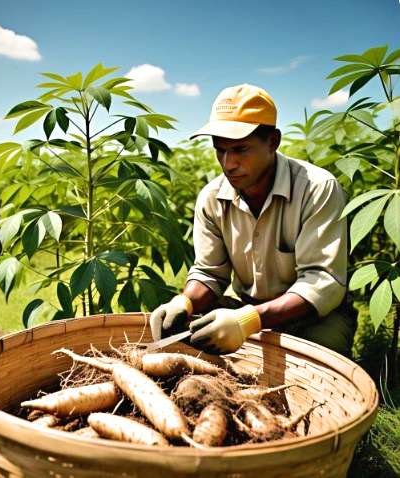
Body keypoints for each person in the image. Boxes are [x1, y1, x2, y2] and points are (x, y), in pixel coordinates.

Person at [150, 84, 355, 357]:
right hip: (243, 309)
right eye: (220, 150)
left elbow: (322, 283)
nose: (228, 163)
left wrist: (249, 321)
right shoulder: (212, 198)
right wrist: (184, 302)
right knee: (188, 336)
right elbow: (210, 273)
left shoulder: (316, 188)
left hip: (314, 317)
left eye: (240, 149)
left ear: (273, 141)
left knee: (321, 358)